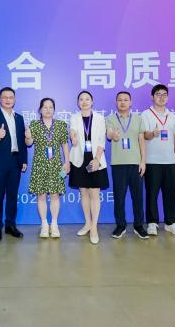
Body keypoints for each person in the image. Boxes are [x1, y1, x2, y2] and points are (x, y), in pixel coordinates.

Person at [0, 87, 28, 242]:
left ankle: (10, 225)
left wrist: (24, 160)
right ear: (0, 99)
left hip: (15, 162)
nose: (8, 100)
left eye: (11, 97)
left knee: (12, 196)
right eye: (5, 97)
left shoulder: (19, 118)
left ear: (14, 99)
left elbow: (22, 141)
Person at [141, 84, 175, 237]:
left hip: (170, 161)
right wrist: (153, 133)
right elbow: (144, 135)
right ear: (152, 97)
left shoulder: (172, 116)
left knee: (170, 193)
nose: (161, 97)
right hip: (152, 161)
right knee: (152, 193)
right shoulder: (146, 114)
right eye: (158, 94)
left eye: (164, 94)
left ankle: (170, 223)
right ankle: (152, 223)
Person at [25, 98, 70, 239]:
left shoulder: (61, 125)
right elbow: (29, 143)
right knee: (41, 195)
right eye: (45, 107)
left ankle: (54, 224)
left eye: (51, 107)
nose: (48, 110)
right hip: (40, 164)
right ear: (40, 110)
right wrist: (28, 137)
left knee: (55, 195)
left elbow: (64, 144)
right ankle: (44, 224)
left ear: (54, 109)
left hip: (57, 165)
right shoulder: (34, 124)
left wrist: (67, 162)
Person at [106, 91, 149, 240]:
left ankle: (139, 226)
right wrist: (113, 135)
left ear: (131, 102)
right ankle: (120, 225)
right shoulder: (110, 119)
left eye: (125, 100)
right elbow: (109, 134)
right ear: (116, 102)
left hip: (136, 163)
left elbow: (141, 140)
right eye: (119, 100)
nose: (122, 102)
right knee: (119, 197)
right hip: (118, 164)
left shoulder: (138, 118)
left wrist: (143, 161)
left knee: (138, 197)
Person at [68, 91, 109, 245]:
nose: (84, 102)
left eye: (87, 99)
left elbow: (101, 141)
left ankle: (94, 228)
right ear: (78, 102)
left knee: (94, 194)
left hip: (95, 158)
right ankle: (87, 223)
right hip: (79, 159)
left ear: (92, 101)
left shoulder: (99, 118)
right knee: (84, 192)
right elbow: (72, 131)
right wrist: (72, 136)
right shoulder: (74, 117)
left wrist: (97, 159)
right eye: (81, 99)